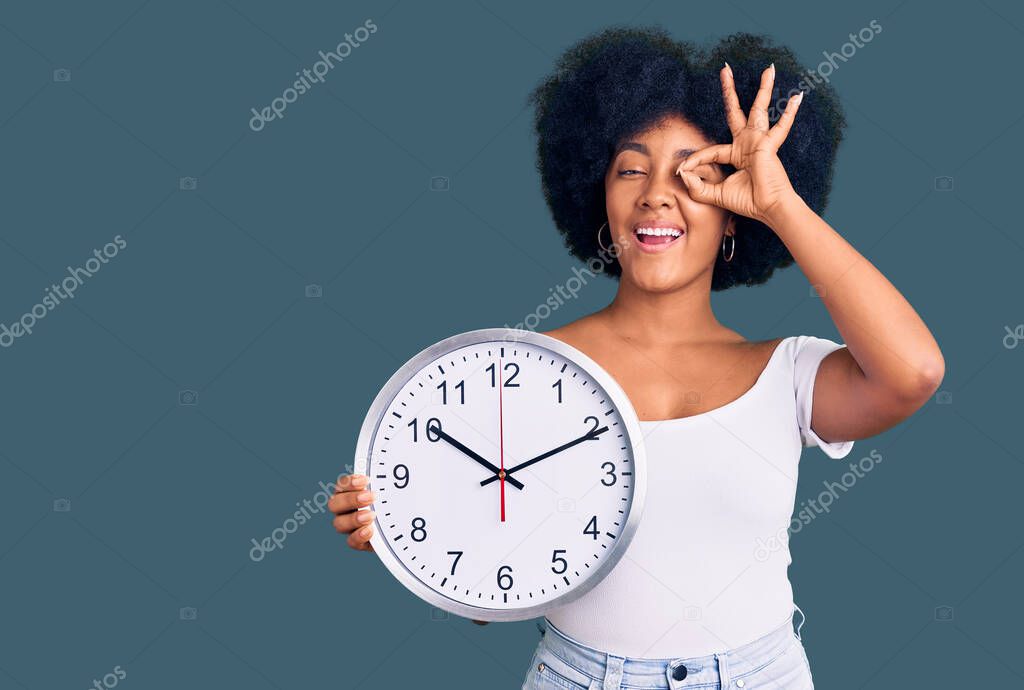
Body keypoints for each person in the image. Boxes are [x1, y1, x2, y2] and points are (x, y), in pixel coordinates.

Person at [330, 26, 943, 689]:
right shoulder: (528, 371)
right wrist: (400, 538)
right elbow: (499, 582)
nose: (657, 192)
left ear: (733, 213)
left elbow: (914, 373)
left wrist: (781, 204)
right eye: (630, 167)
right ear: (599, 195)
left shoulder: (787, 373)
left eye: (696, 171)